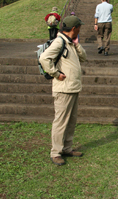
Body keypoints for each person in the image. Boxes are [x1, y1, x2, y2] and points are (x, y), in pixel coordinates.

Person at [39, 15, 87, 166]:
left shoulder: (70, 43)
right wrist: (56, 74)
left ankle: (67, 148)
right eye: (79, 27)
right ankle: (56, 152)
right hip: (64, 89)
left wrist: (77, 44)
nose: (80, 29)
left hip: (72, 88)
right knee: (61, 122)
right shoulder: (59, 42)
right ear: (74, 28)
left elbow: (84, 57)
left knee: (71, 121)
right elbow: (44, 58)